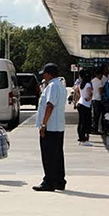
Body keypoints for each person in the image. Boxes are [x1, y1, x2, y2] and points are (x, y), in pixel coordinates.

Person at [33, 63, 67, 192]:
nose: (43, 76)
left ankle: (49, 181)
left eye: (44, 73)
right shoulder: (61, 86)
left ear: (49, 74)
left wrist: (43, 124)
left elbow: (49, 105)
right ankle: (59, 180)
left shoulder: (52, 86)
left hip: (50, 127)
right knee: (57, 155)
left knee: (48, 156)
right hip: (58, 126)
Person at [76, 72, 93, 146]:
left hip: (80, 103)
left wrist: (80, 96)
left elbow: (76, 90)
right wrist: (89, 98)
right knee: (85, 121)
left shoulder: (81, 85)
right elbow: (90, 93)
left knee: (80, 121)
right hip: (86, 104)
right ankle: (83, 138)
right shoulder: (88, 85)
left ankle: (80, 136)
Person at [91, 67, 103, 134]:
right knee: (98, 116)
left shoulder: (92, 81)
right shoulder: (99, 82)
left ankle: (94, 128)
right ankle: (96, 129)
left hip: (93, 99)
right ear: (100, 74)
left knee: (94, 115)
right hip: (98, 99)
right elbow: (100, 92)